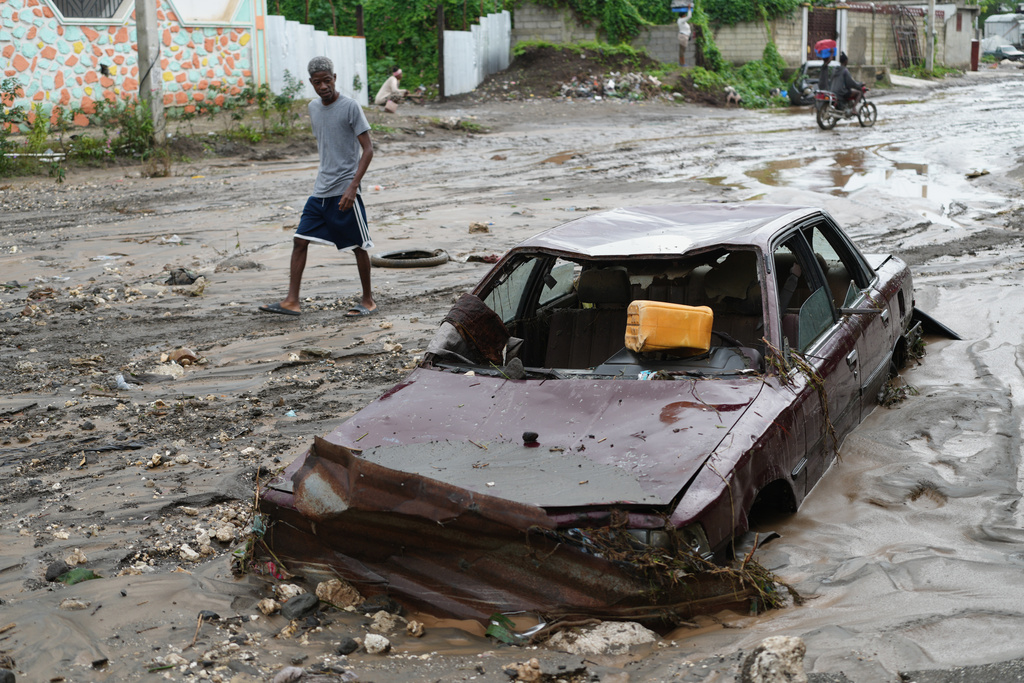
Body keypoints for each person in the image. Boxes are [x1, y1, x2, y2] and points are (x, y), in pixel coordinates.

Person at [259, 56, 377, 318]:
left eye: (327, 80)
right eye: (317, 82)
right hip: (321, 191)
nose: (323, 86)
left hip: (345, 191)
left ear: (335, 79)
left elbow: (368, 150)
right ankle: (291, 301)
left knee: (358, 246)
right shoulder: (313, 108)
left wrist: (352, 187)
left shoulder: (350, 107)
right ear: (311, 83)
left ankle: (368, 300)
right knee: (300, 240)